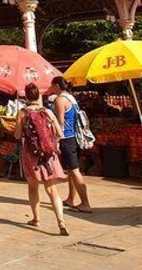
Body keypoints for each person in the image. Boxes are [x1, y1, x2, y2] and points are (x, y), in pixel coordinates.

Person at [14, 82, 68, 236]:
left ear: (26, 96)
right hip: (49, 154)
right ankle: (61, 221)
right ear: (39, 95)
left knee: (33, 186)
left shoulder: (22, 113)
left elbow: (17, 135)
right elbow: (59, 133)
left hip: (32, 155)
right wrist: (51, 143)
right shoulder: (48, 112)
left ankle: (36, 218)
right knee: (52, 189)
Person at [50, 76, 93, 213]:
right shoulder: (71, 98)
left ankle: (85, 203)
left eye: (52, 86)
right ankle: (71, 198)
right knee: (71, 170)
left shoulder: (60, 100)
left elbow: (60, 121)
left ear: (57, 86)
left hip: (66, 138)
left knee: (74, 170)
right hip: (75, 137)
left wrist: (56, 139)